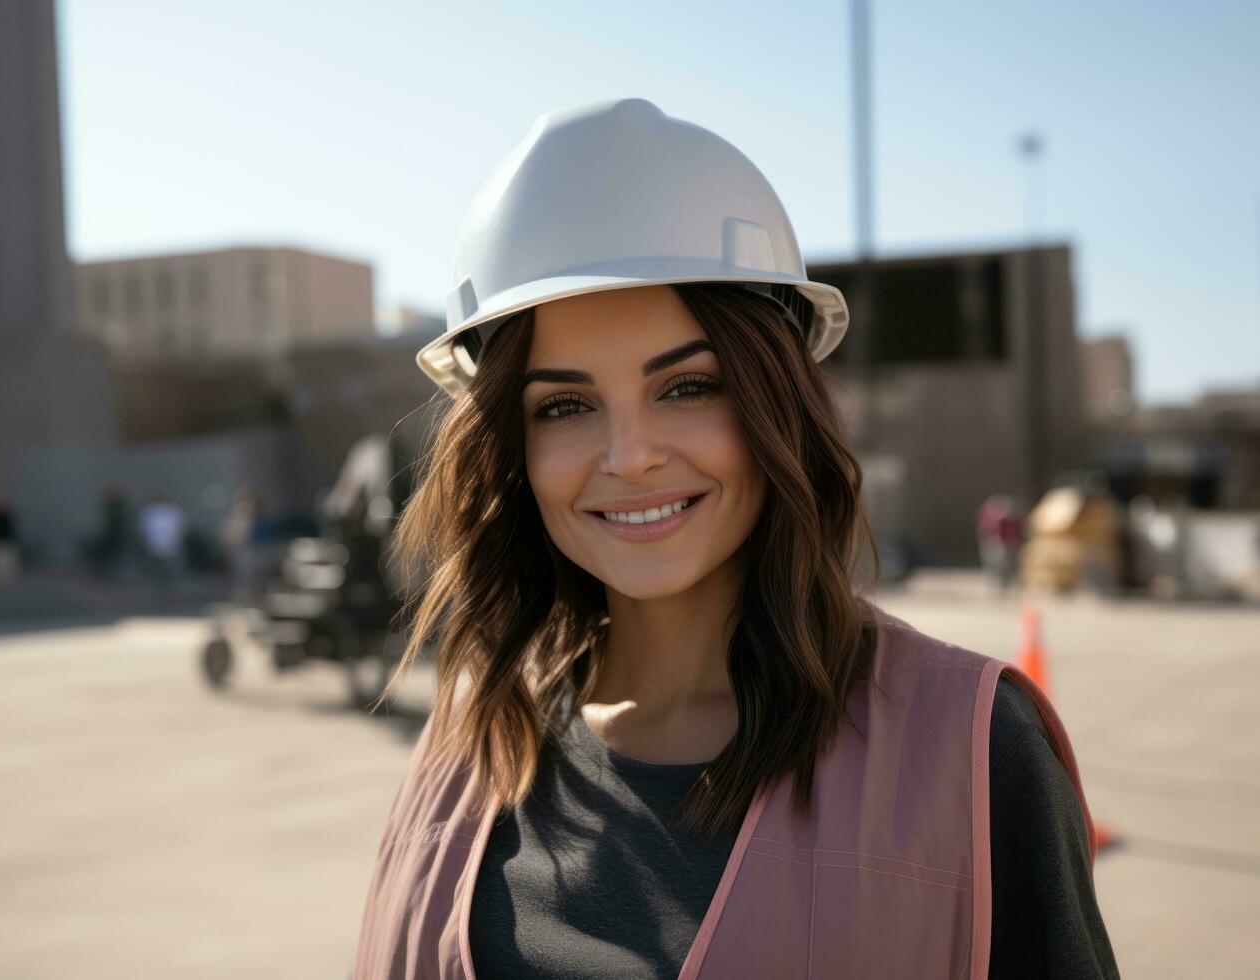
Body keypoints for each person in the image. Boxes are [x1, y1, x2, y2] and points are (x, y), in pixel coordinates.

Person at [353, 100, 1118, 979]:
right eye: (563, 405)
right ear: (511, 448)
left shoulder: (977, 752)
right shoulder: (467, 738)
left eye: (687, 388)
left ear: (775, 402)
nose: (630, 457)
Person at [137, 494, 186, 601]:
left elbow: (178, 529)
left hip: (170, 549)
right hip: (155, 549)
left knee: (169, 574)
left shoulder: (172, 512)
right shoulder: (149, 512)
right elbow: (145, 531)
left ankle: (169, 595)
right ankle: (158, 595)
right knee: (157, 574)